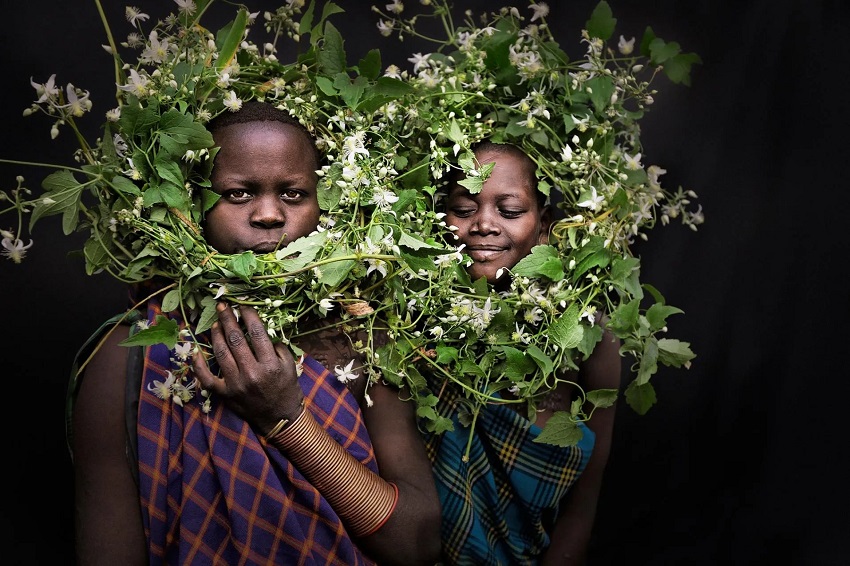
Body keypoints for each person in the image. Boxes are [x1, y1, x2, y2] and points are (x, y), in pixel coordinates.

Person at [67, 101, 442, 565]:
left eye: (293, 194)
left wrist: (286, 418)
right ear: (189, 207)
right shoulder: (130, 356)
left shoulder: (364, 336)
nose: (268, 214)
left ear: (327, 204)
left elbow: (418, 543)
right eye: (238, 193)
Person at [425, 140, 622, 565]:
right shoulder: (413, 324)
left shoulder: (587, 337)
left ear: (544, 224)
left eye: (510, 211)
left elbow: (584, 501)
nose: (483, 224)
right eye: (463, 210)